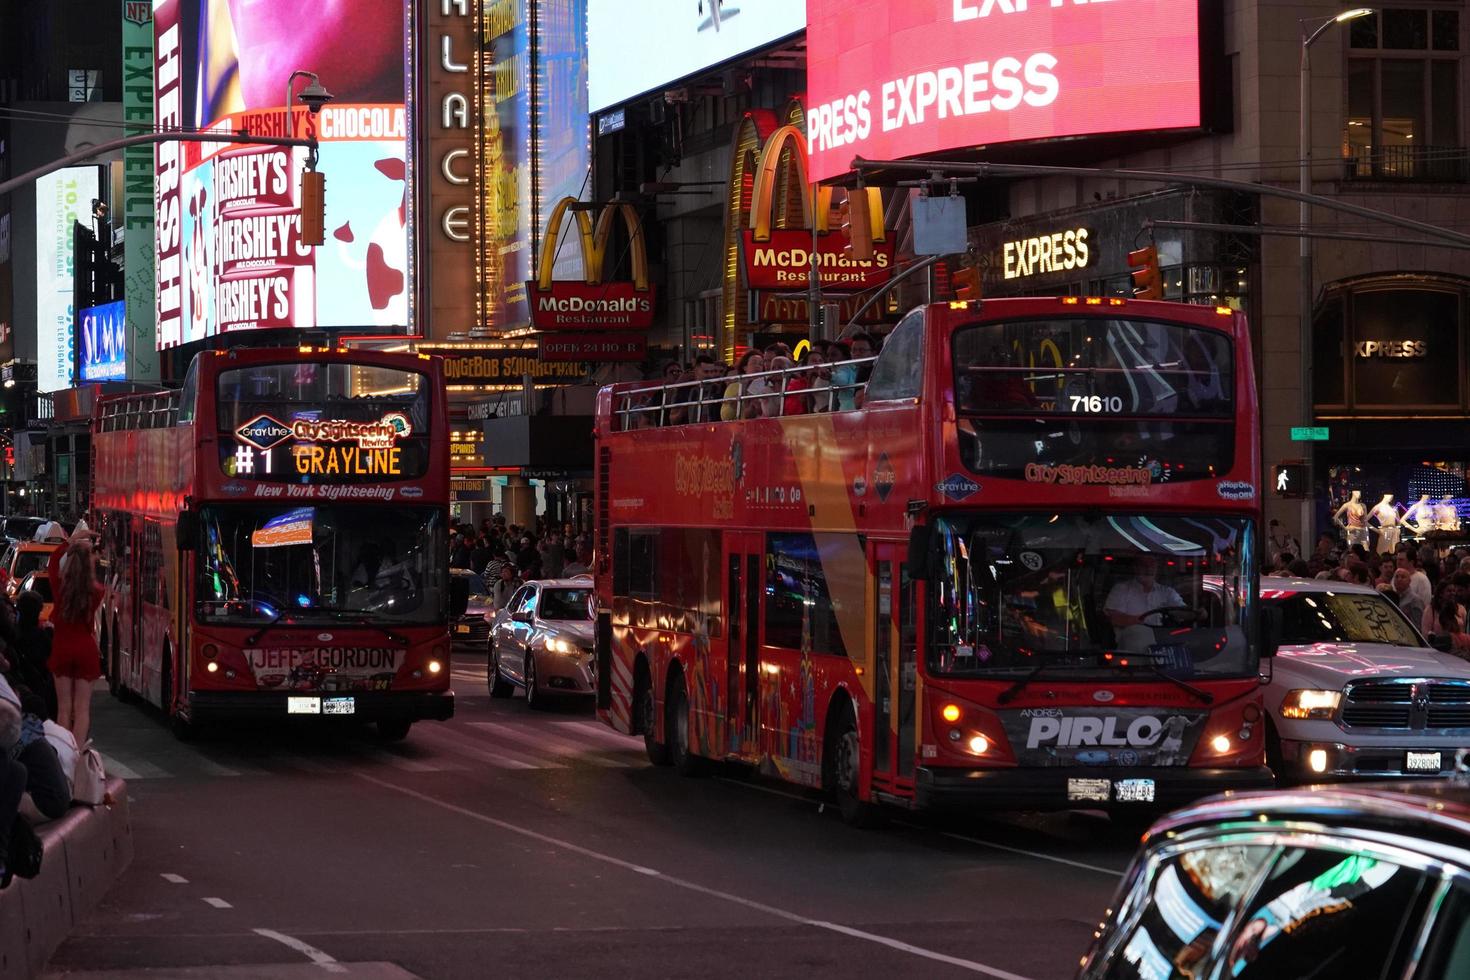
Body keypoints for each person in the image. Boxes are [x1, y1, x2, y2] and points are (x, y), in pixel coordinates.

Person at [47, 532, 105, 746]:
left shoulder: (58, 587)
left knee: (64, 709)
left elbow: (53, 561)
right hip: (85, 648)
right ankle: (77, 754)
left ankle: (63, 753)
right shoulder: (96, 592)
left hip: (62, 646)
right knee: (82, 710)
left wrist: (71, 541)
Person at [1104, 555, 1188, 651]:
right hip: (1131, 647)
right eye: (1143, 565)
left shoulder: (1167, 592)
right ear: (1135, 568)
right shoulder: (1121, 589)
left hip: (1163, 645)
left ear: (1156, 568)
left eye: (1152, 565)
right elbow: (1115, 619)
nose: (1148, 569)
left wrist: (1197, 613)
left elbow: (1182, 611)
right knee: (1137, 632)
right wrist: (1139, 620)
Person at [721, 351, 768, 421]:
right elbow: (725, 416)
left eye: (761, 364)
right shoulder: (733, 387)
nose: (757, 366)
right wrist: (734, 405)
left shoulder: (767, 385)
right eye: (753, 363)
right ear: (745, 367)